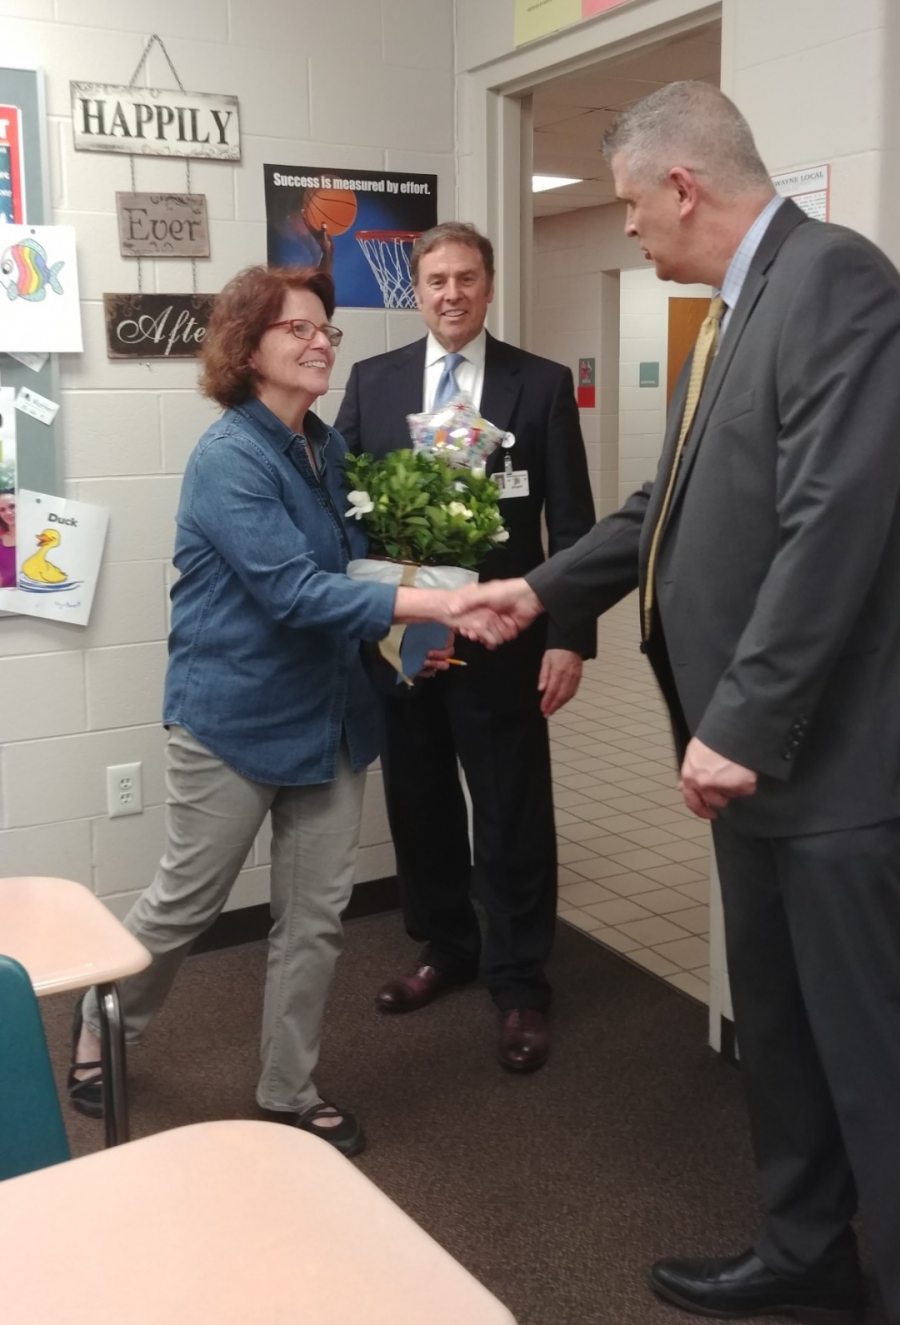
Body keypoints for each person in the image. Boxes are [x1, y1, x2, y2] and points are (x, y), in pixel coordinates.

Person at [458, 81, 900, 1325]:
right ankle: (809, 1248)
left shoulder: (834, 283)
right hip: (759, 771)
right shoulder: (726, 314)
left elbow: (835, 528)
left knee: (869, 1053)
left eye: (634, 208)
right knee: (781, 1025)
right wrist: (531, 593)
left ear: (684, 186)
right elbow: (667, 516)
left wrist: (742, 722)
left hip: (827, 767)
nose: (633, 232)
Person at [69, 264, 508, 1157]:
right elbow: (294, 591)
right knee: (186, 903)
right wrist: (438, 606)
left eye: (325, 331)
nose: (320, 344)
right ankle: (101, 1024)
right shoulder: (228, 456)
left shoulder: (322, 448)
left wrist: (433, 574)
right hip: (232, 720)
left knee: (313, 918)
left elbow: (347, 568)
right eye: (298, 329)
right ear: (248, 347)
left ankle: (286, 1088)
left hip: (331, 718)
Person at [335, 222, 596, 1073]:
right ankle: (445, 945)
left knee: (512, 809)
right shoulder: (372, 384)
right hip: (406, 640)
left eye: (467, 278)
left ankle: (520, 981)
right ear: (418, 289)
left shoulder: (541, 385)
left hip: (505, 641)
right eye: (437, 279)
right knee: (419, 801)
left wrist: (570, 637)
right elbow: (341, 507)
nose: (452, 293)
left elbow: (576, 526)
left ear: (490, 286)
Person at [0, 489, 15, 588]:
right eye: (2, 510)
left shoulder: (39, 537)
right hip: (7, 601)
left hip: (37, 599)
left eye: (12, 506)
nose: (8, 513)